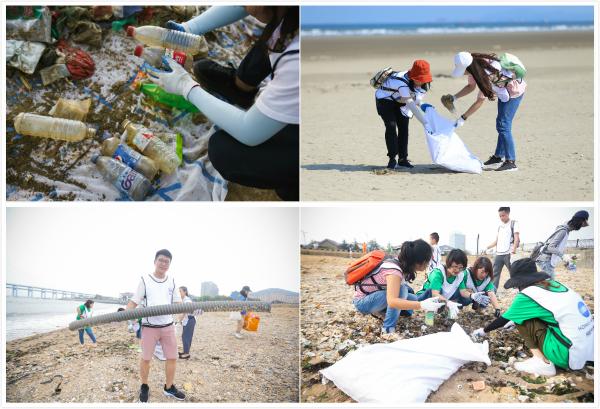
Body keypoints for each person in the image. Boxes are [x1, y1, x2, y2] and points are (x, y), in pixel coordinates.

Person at [150, 6, 299, 200]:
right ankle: (241, 88)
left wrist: (186, 87)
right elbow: (246, 6)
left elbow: (250, 131)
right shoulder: (292, 13)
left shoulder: (299, 57)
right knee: (276, 33)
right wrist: (187, 29)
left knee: (224, 151)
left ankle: (297, 183)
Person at [471, 258, 594, 376]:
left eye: (517, 285)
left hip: (565, 354)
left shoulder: (527, 294)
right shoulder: (554, 285)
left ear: (521, 281)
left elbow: (503, 319)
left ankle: (542, 362)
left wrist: (483, 331)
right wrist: (513, 320)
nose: (517, 288)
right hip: (589, 349)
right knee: (521, 317)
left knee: (522, 319)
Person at [443, 52, 526, 172]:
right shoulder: (475, 66)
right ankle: (498, 157)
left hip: (514, 92)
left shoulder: (486, 75)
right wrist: (454, 98)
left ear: (468, 67)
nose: (463, 73)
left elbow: (479, 101)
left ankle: (511, 162)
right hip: (504, 93)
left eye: (462, 70)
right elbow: (470, 87)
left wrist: (463, 118)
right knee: (502, 124)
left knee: (503, 125)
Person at [352, 240, 445, 339]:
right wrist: (421, 305)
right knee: (402, 291)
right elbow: (392, 302)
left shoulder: (401, 264)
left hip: (375, 297)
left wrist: (426, 300)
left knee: (410, 296)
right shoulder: (394, 270)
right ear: (419, 261)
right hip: (362, 302)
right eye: (427, 260)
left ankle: (425, 298)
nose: (428, 264)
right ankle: (387, 330)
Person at [127, 249, 184, 402]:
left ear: (169, 264)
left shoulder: (172, 280)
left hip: (168, 326)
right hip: (149, 327)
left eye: (167, 261)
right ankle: (144, 385)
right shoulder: (145, 279)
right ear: (155, 261)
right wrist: (128, 319)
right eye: (161, 260)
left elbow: (179, 304)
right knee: (146, 358)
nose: (164, 263)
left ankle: (169, 387)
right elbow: (134, 302)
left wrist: (191, 311)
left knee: (172, 357)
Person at [374, 60, 433, 169]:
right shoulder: (402, 82)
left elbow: (416, 99)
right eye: (420, 79)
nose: (422, 82)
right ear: (413, 77)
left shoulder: (422, 84)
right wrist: (425, 123)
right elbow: (410, 104)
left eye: (424, 79)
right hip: (385, 99)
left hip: (401, 100)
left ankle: (403, 159)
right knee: (391, 126)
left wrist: (423, 105)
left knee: (404, 128)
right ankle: (392, 159)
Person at [535, 210, 590, 279]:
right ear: (579, 222)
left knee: (549, 282)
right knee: (551, 283)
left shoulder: (566, 229)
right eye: (581, 225)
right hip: (545, 260)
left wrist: (567, 259)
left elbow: (557, 248)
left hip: (546, 259)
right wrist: (563, 256)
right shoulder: (563, 231)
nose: (580, 228)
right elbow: (550, 247)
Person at [484, 207, 520, 292]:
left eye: (503, 215)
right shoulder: (500, 226)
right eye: (500, 216)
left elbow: (516, 238)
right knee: (494, 274)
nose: (501, 218)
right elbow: (497, 240)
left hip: (509, 253)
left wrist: (513, 251)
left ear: (508, 214)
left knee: (513, 272)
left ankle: (518, 289)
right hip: (499, 254)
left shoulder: (514, 223)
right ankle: (492, 292)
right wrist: (488, 247)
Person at [177, 286, 199, 359]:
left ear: (185, 292)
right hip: (188, 320)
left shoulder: (187, 301)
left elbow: (185, 311)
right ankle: (185, 351)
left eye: (180, 291)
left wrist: (179, 320)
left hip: (190, 319)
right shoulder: (184, 300)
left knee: (186, 336)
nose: (179, 293)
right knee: (185, 336)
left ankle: (186, 354)